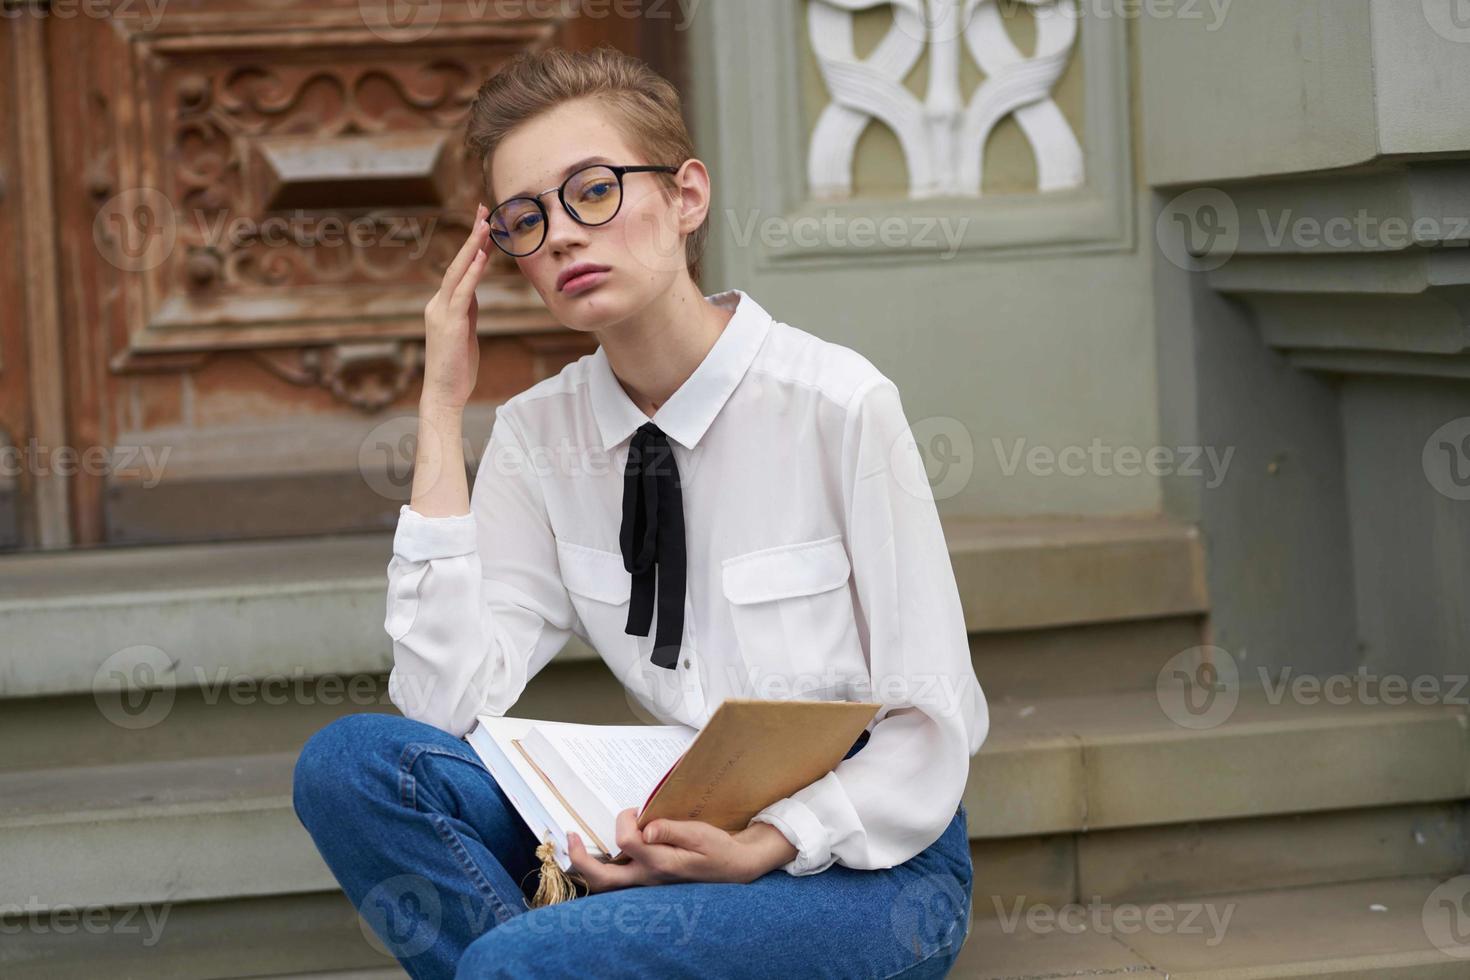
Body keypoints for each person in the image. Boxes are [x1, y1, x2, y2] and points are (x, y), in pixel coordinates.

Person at [292, 44, 989, 980]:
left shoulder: (837, 405)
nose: (564, 237)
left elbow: (934, 717)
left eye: (592, 192)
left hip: (861, 865)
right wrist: (438, 408)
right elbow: (442, 705)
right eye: (526, 219)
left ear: (687, 196)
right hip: (658, 826)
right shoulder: (541, 435)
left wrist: (768, 843)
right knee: (353, 766)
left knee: (522, 963)